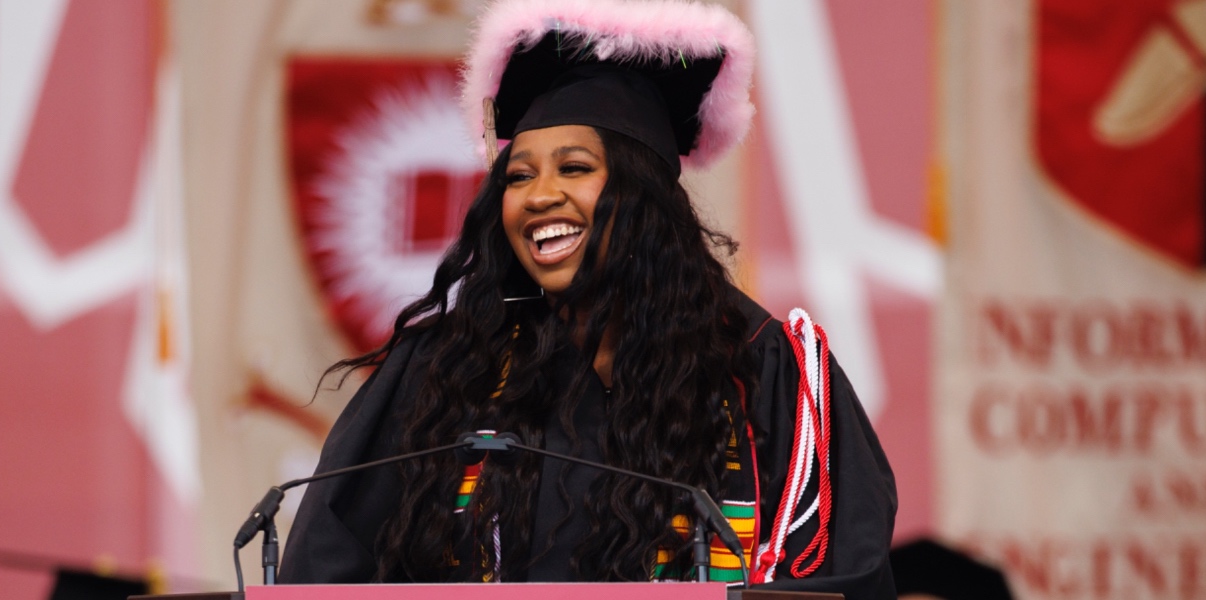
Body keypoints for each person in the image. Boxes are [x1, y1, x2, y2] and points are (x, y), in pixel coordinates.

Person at [278, 1, 896, 597]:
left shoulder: (761, 368)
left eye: (573, 168)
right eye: (518, 176)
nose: (539, 196)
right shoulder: (448, 370)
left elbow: (840, 577)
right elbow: (328, 565)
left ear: (641, 196)